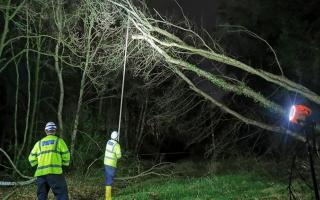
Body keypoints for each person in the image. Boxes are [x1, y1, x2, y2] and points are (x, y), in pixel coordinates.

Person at [28, 122, 70, 200]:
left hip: (41, 174)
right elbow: (66, 155)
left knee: (41, 196)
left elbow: (31, 158)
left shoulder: (39, 143)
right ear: (55, 131)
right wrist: (64, 164)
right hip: (55, 173)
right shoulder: (59, 141)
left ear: (46, 131)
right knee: (62, 195)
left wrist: (38, 164)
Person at [104, 131, 122, 200]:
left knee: (108, 178)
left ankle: (107, 196)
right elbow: (119, 156)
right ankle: (108, 198)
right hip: (111, 164)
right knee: (109, 181)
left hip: (106, 163)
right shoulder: (117, 145)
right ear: (117, 137)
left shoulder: (108, 142)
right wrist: (118, 147)